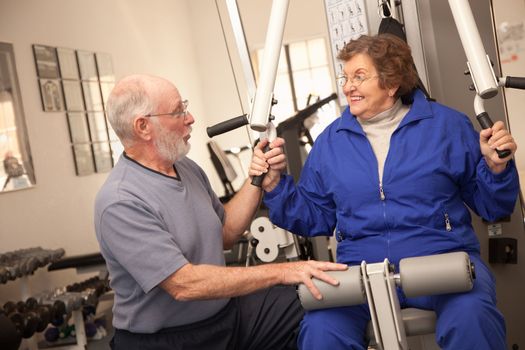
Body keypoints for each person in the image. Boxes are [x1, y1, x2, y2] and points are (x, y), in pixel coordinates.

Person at [249, 34, 519, 350]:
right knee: (320, 331)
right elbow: (315, 218)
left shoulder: (447, 127)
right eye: (345, 77)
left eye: (359, 77)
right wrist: (274, 186)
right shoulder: (330, 142)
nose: (348, 86)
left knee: (472, 316)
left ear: (391, 83)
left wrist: (496, 169)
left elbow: (492, 206)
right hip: (358, 274)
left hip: (440, 261)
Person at [94, 74, 348, 350]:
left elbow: (225, 232)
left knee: (318, 300)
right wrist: (284, 271)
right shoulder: (120, 201)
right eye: (179, 111)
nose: (190, 118)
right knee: (297, 284)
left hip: (227, 317)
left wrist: (258, 176)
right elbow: (185, 284)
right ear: (143, 127)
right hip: (166, 341)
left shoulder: (185, 167)